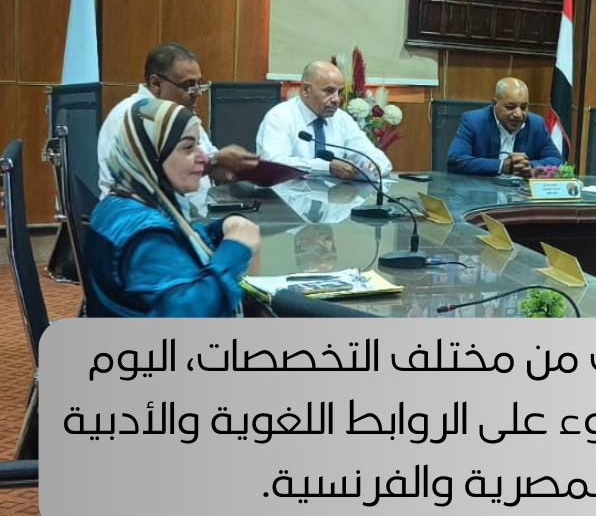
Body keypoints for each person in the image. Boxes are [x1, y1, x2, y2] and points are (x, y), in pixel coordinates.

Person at [84, 99, 261, 317]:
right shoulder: (146, 235)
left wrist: (218, 230)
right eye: (188, 148)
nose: (203, 157)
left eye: (198, 145)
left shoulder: (121, 203)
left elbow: (174, 245)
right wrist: (235, 250)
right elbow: (189, 317)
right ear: (151, 155)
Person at [97, 43, 258, 202]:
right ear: (156, 84)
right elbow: (153, 180)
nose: (198, 93)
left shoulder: (179, 112)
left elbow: (209, 157)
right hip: (142, 212)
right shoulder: (132, 118)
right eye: (189, 85)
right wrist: (215, 161)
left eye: (199, 83)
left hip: (195, 206)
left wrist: (232, 167)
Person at [256, 61, 392, 180]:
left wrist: (375, 166)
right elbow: (272, 164)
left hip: (333, 197)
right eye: (329, 91)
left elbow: (378, 159)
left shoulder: (342, 119)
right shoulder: (280, 116)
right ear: (306, 90)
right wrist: (327, 167)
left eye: (339, 92)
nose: (336, 99)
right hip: (284, 198)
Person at [446, 77, 563, 177]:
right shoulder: (473, 121)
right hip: (482, 191)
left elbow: (557, 161)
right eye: (510, 107)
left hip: (520, 193)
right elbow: (455, 160)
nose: (518, 114)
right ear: (494, 104)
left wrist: (528, 166)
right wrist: (501, 165)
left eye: (523, 107)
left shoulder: (536, 124)